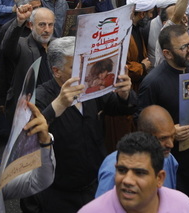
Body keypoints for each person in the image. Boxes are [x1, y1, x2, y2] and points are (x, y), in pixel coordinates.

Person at [34, 36, 137, 212]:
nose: (83, 70)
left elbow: (119, 107)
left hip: (96, 184)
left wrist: (124, 94)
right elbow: (30, 137)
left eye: (83, 63)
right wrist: (57, 106)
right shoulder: (40, 97)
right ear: (56, 71)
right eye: (74, 67)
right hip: (61, 192)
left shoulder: (89, 87)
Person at [138, 24, 189, 207]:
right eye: (183, 47)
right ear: (167, 53)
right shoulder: (152, 83)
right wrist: (170, 132)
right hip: (174, 160)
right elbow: (141, 124)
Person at [79, 132, 189, 213]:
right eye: (122, 170)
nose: (127, 180)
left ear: (160, 178)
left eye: (139, 173)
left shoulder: (183, 206)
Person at [96, 105, 179, 197]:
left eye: (173, 136)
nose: (171, 144)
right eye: (163, 138)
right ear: (144, 135)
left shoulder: (168, 158)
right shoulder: (113, 169)